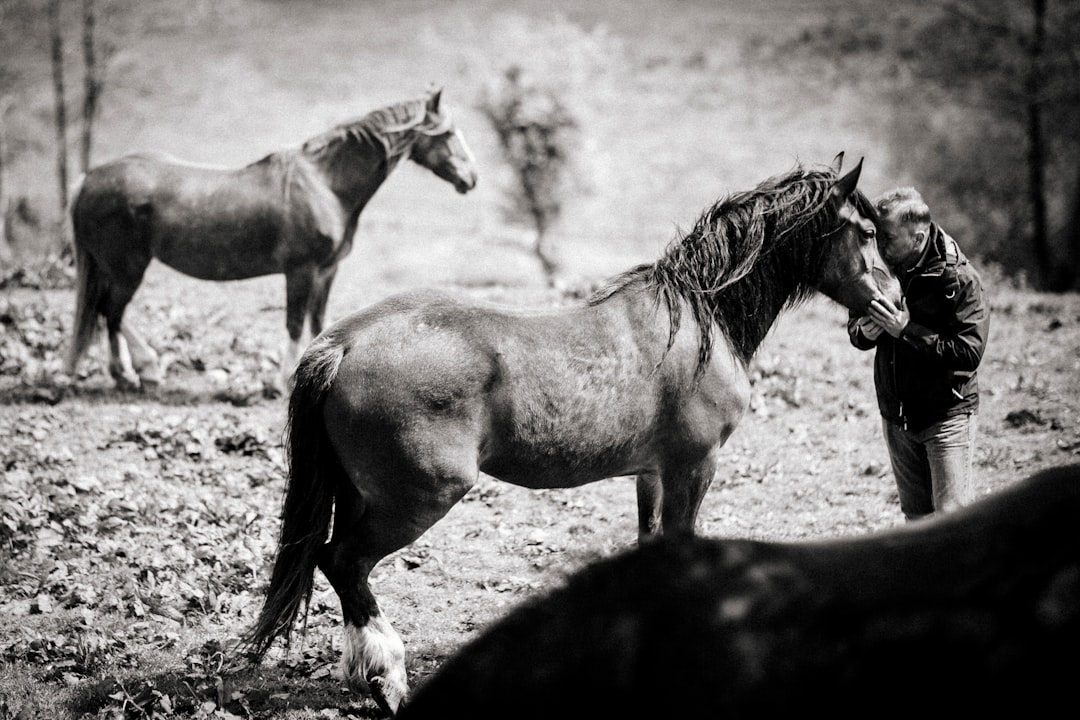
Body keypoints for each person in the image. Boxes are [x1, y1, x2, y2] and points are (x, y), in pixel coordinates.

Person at [848, 187, 990, 521]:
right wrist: (863, 333)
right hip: (897, 420)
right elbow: (856, 329)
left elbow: (968, 353)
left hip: (947, 420)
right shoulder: (880, 270)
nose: (880, 247)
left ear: (918, 238)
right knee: (916, 524)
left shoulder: (960, 278)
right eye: (878, 237)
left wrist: (906, 331)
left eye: (890, 239)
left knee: (952, 524)